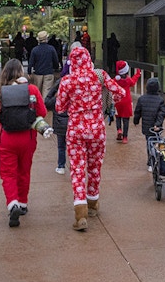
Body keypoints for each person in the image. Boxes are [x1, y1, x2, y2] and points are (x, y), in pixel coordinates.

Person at [56, 43, 126, 231]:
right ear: (89, 59)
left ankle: (80, 214)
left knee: (78, 170)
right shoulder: (100, 75)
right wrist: (106, 104)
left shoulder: (67, 81)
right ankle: (93, 203)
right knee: (95, 167)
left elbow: (59, 108)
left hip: (75, 131)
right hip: (97, 130)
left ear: (71, 62)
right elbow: (120, 92)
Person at [0, 59, 50, 227]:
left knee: (8, 173)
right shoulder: (31, 89)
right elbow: (43, 112)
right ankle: (23, 204)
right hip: (27, 138)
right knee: (24, 171)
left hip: (7, 139)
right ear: (21, 72)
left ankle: (13, 203)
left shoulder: (1, 93)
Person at [133, 76, 165, 169]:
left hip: (147, 127)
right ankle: (160, 160)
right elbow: (162, 113)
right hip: (157, 127)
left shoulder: (142, 99)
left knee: (149, 143)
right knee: (157, 141)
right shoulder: (160, 100)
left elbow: (137, 112)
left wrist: (136, 121)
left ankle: (151, 162)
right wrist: (158, 124)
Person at [44, 60, 71, 174]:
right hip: (75, 122)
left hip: (60, 121)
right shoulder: (83, 84)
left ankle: (61, 166)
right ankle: (76, 166)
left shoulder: (61, 82)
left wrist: (56, 98)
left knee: (61, 146)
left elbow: (48, 102)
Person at [111, 60, 142, 143]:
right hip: (126, 101)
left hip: (118, 100)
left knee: (118, 117)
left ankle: (119, 130)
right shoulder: (128, 80)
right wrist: (137, 74)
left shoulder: (115, 80)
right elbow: (133, 82)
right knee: (126, 120)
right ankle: (125, 137)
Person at [27, 30, 60, 94]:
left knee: (37, 92)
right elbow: (56, 60)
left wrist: (29, 72)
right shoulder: (51, 48)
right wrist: (56, 68)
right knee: (46, 91)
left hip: (38, 73)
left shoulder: (35, 50)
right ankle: (44, 103)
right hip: (49, 73)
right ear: (46, 39)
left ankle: (38, 103)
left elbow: (31, 62)